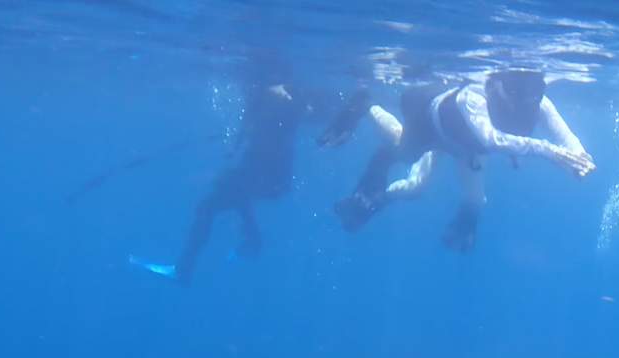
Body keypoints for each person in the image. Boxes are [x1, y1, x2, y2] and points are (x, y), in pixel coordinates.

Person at [326, 69, 594, 251]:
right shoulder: (474, 95)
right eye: (517, 92)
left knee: (471, 200)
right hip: (430, 131)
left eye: (532, 94)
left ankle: (382, 197)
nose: (524, 101)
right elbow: (492, 139)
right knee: (402, 150)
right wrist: (552, 152)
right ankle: (366, 106)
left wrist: (579, 156)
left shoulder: (538, 102)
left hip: (468, 148)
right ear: (499, 83)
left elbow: (564, 133)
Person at [168, 53, 316, 284]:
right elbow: (250, 130)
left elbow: (291, 113)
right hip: (266, 176)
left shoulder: (274, 96)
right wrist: (235, 146)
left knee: (208, 206)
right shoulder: (267, 97)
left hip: (267, 176)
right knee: (231, 193)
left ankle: (183, 269)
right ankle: (252, 241)